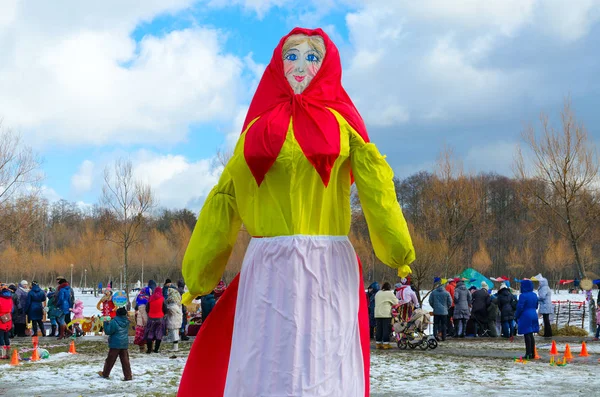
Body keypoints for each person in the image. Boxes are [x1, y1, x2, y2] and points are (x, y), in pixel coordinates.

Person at [178, 27, 415, 397]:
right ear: (277, 65)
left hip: (325, 266)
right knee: (265, 356)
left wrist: (398, 251)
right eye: (291, 55)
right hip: (268, 267)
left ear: (327, 66)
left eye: (312, 56)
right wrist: (198, 275)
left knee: (324, 355)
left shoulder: (344, 128)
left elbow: (377, 192)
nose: (301, 65)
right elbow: (223, 202)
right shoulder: (254, 132)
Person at [98, 307, 132, 381]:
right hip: (124, 343)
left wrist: (106, 322)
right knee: (125, 360)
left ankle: (105, 373)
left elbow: (108, 331)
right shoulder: (127, 321)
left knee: (110, 360)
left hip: (115, 343)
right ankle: (128, 376)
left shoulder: (114, 321)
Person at [515, 279, 539, 359]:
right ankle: (532, 353)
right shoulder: (534, 295)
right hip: (533, 314)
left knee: (527, 334)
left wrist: (516, 315)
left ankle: (528, 353)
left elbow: (520, 307)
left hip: (526, 315)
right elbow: (536, 305)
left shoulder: (523, 295)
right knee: (531, 334)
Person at [374, 282, 398, 349]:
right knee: (386, 329)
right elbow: (396, 302)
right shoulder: (389, 293)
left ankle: (378, 343)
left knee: (379, 329)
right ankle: (386, 344)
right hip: (386, 314)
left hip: (377, 314)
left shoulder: (378, 293)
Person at [144, 286, 165, 353]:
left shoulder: (150, 298)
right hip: (160, 318)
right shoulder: (162, 299)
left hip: (151, 318)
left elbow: (147, 308)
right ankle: (156, 349)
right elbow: (165, 309)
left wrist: (150, 313)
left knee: (150, 333)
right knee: (159, 334)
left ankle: (149, 349)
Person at [133, 285, 151, 352]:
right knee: (147, 334)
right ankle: (149, 348)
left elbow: (135, 307)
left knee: (140, 335)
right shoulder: (148, 299)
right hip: (146, 320)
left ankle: (141, 348)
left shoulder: (139, 297)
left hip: (139, 320)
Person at [165, 287, 183, 352]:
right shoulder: (177, 302)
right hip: (174, 320)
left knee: (175, 334)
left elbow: (173, 310)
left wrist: (167, 309)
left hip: (174, 321)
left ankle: (175, 348)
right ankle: (174, 347)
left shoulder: (173, 303)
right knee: (174, 334)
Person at [535, 273, 553, 338]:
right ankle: (548, 333)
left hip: (545, 305)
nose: (539, 283)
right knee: (546, 320)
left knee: (546, 320)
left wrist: (536, 298)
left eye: (540, 282)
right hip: (546, 305)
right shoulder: (545, 287)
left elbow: (542, 296)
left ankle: (547, 334)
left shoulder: (544, 288)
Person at [0, 284, 13, 359]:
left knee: (0, 336)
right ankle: (8, 353)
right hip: (8, 318)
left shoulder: (0, 299)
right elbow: (12, 309)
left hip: (1, 319)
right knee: (6, 336)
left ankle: (2, 354)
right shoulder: (10, 299)